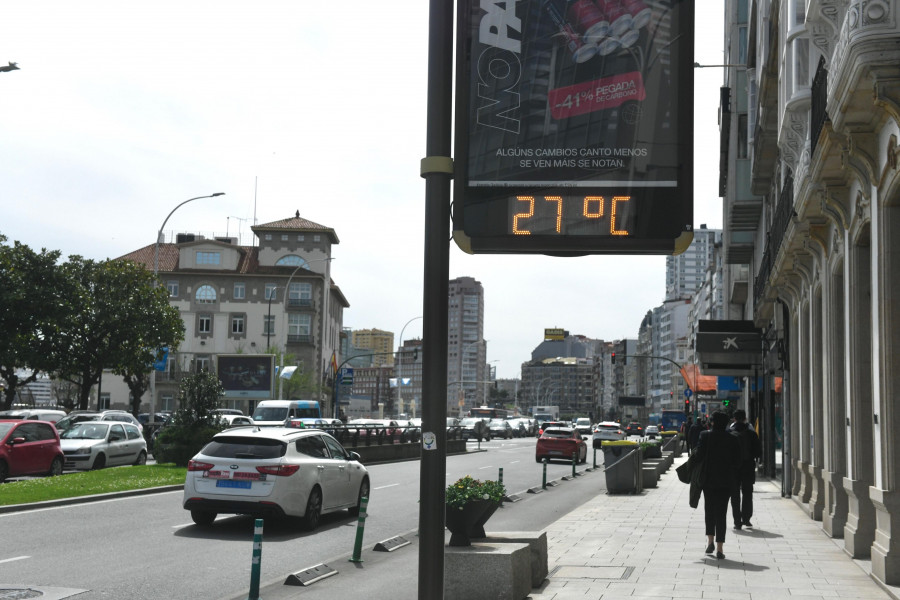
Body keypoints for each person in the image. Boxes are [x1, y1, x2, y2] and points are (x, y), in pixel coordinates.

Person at [693, 410, 741, 559]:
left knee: (709, 510)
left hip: (708, 481)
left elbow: (698, 456)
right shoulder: (733, 438)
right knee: (722, 513)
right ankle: (720, 548)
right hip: (726, 481)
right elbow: (738, 461)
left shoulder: (705, 436)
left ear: (712, 422)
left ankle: (710, 541)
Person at [728, 409, 762, 529]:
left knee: (735, 494)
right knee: (747, 493)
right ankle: (746, 518)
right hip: (748, 467)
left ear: (734, 419)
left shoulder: (729, 433)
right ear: (745, 419)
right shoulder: (751, 433)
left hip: (733, 469)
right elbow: (758, 452)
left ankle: (737, 521)